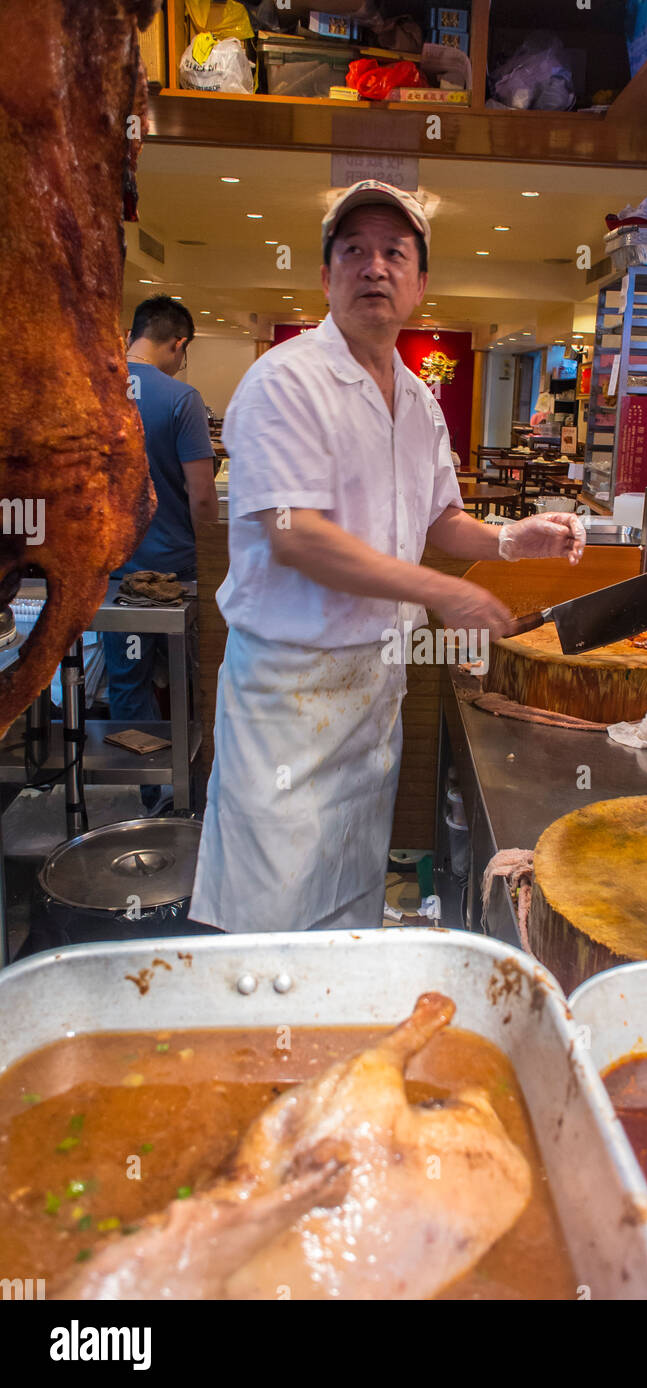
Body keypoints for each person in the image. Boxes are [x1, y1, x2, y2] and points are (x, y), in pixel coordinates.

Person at [189, 179, 584, 933]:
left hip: (373, 691)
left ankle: (338, 1043)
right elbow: (293, 531)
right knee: (271, 917)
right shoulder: (285, 381)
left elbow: (440, 520)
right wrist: (440, 593)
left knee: (348, 900)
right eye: (354, 251)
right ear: (326, 275)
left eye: (394, 253)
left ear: (420, 282)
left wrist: (508, 539)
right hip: (288, 694)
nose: (375, 266)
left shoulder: (418, 400)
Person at [103, 295, 218, 813]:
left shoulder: (94, 389)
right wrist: (214, 552)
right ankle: (197, 791)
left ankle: (148, 797)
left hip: (113, 571)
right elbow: (201, 495)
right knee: (194, 677)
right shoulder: (182, 398)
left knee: (129, 679)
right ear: (179, 343)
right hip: (177, 570)